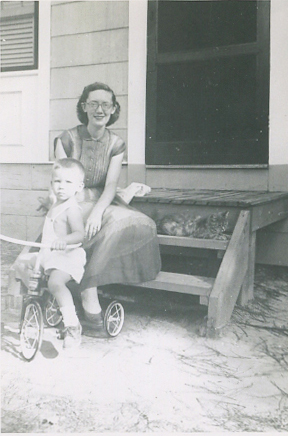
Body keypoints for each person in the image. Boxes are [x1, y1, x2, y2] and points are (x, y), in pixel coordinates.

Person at [54, 82, 161, 329]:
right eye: (93, 103)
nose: (99, 109)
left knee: (135, 222)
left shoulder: (116, 144)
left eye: (106, 104)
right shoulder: (67, 139)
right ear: (84, 107)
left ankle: (88, 286)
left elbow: (111, 184)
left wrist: (98, 211)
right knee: (91, 223)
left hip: (101, 200)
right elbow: (63, 182)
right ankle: (89, 294)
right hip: (72, 200)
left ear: (113, 109)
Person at [16, 158, 87, 349]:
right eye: (57, 181)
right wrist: (46, 205)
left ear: (79, 187)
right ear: (51, 183)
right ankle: (23, 306)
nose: (61, 187)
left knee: (55, 282)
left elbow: (80, 233)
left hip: (67, 256)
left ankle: (72, 326)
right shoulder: (56, 202)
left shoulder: (72, 209)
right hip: (48, 255)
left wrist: (65, 240)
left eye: (68, 182)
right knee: (20, 264)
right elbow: (53, 210)